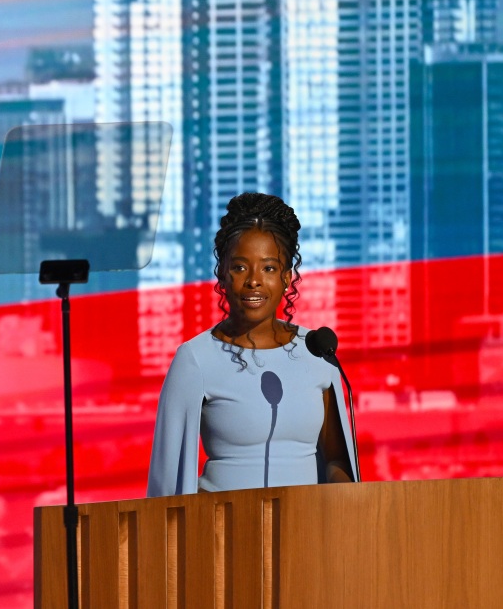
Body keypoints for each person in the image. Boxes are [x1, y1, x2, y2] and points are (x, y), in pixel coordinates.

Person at [146, 192, 357, 497]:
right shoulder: (195, 359)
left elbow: (337, 460)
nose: (254, 280)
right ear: (222, 273)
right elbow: (168, 479)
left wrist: (347, 502)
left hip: (307, 531)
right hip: (222, 532)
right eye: (240, 267)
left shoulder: (316, 351)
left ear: (287, 277)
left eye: (269, 268)